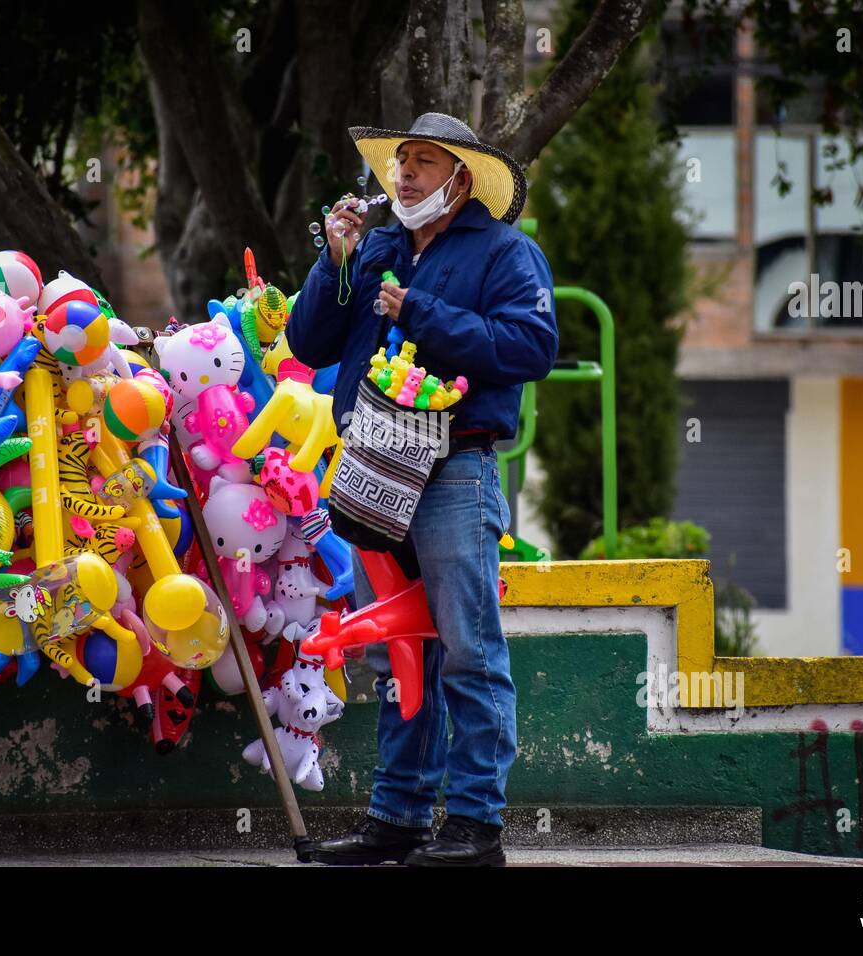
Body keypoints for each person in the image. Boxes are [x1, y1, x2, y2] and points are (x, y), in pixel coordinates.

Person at [286, 112, 558, 866]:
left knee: (467, 647)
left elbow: (532, 348)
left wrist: (422, 313)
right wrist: (334, 262)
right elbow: (309, 344)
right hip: (373, 472)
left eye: (424, 163)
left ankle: (475, 827)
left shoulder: (507, 253)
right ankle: (397, 821)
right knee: (399, 650)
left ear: (461, 180)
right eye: (401, 161)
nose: (403, 175)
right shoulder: (375, 247)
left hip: (454, 472)